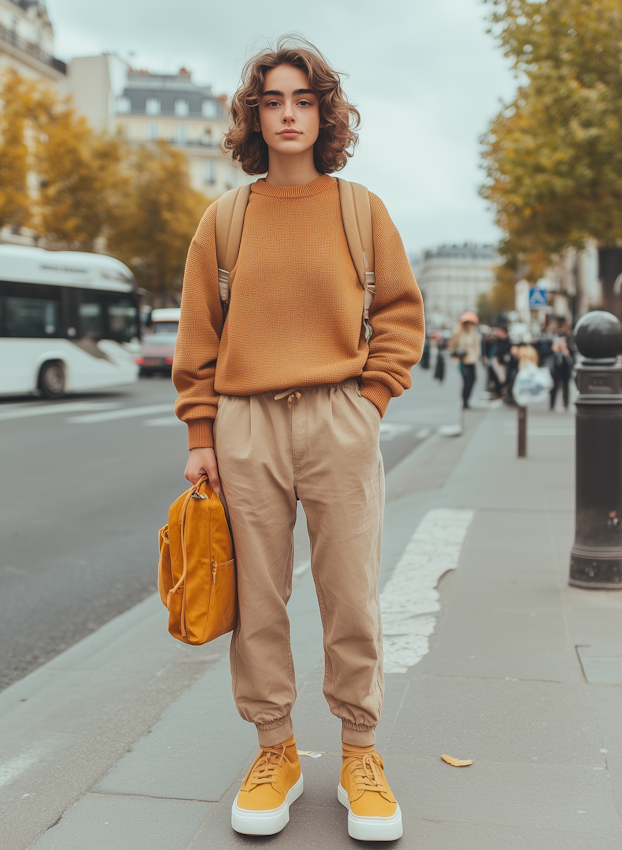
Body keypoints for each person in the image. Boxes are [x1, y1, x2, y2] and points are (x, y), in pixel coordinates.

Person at [172, 38, 424, 841]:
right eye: (273, 101)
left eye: (303, 100)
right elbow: (197, 338)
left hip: (338, 419)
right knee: (260, 602)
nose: (288, 114)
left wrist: (372, 399)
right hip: (245, 427)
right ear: (254, 116)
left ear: (325, 114)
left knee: (351, 590)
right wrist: (202, 431)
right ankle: (273, 749)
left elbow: (400, 316)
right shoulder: (225, 218)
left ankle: (359, 752)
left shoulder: (360, 209)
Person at [448, 311, 481, 408]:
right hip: (462, 361)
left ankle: (467, 399)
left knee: (473, 379)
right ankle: (465, 400)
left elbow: (477, 346)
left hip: (472, 360)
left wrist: (478, 357)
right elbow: (452, 345)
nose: (469, 325)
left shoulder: (474, 333)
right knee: (467, 381)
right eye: (467, 323)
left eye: (470, 323)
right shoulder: (459, 332)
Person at [549, 339, 573, 411]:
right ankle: (552, 405)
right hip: (556, 374)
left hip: (565, 374)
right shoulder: (556, 353)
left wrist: (567, 355)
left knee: (565, 389)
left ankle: (566, 404)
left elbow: (571, 364)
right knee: (554, 389)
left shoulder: (568, 353)